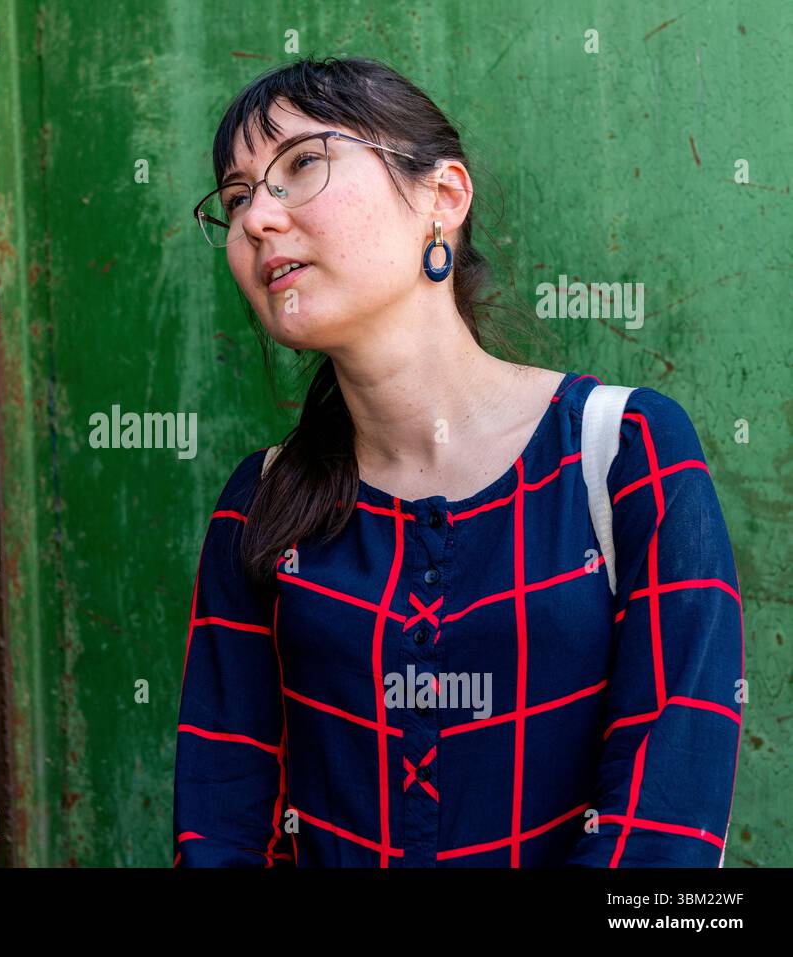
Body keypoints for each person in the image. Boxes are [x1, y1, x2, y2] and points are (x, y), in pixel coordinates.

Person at [173, 56, 744, 867]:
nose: (257, 219)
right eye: (235, 200)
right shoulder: (260, 507)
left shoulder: (626, 455)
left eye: (300, 165)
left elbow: (668, 827)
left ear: (441, 197)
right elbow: (219, 823)